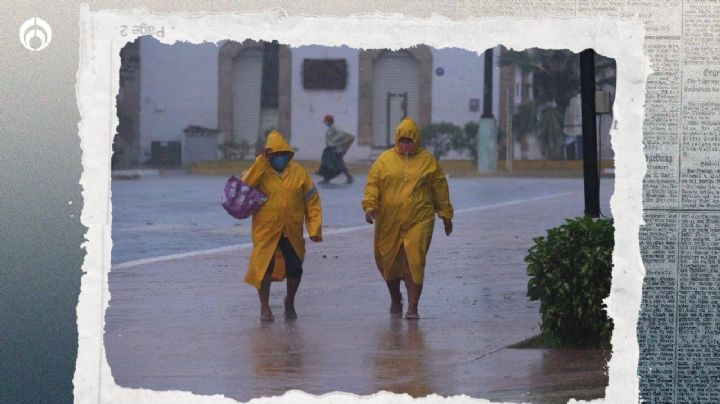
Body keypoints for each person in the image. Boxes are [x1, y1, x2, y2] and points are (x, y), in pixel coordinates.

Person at [362, 117, 454, 320]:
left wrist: (446, 215)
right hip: (389, 221)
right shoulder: (384, 160)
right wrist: (370, 206)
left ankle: (413, 307)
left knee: (413, 261)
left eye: (409, 141)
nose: (405, 144)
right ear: (396, 140)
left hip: (419, 220)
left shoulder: (428, 161)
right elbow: (373, 185)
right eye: (402, 140)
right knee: (388, 261)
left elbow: (440, 188)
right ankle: (396, 297)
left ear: (416, 140)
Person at [241, 130, 322, 321]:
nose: (280, 158)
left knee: (295, 267)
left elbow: (312, 200)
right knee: (264, 268)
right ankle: (265, 307)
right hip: (266, 230)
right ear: (268, 155)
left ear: (288, 153)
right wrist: (261, 162)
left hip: (291, 229)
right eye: (275, 155)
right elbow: (245, 186)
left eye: (283, 154)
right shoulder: (259, 170)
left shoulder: (299, 172)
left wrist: (314, 227)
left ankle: (290, 301)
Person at [317, 114, 355, 184]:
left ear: (328, 121)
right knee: (336, 163)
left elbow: (341, 134)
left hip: (337, 150)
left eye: (325, 121)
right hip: (334, 149)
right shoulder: (331, 127)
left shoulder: (334, 127)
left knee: (334, 164)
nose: (324, 122)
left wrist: (333, 142)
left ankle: (328, 178)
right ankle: (348, 177)